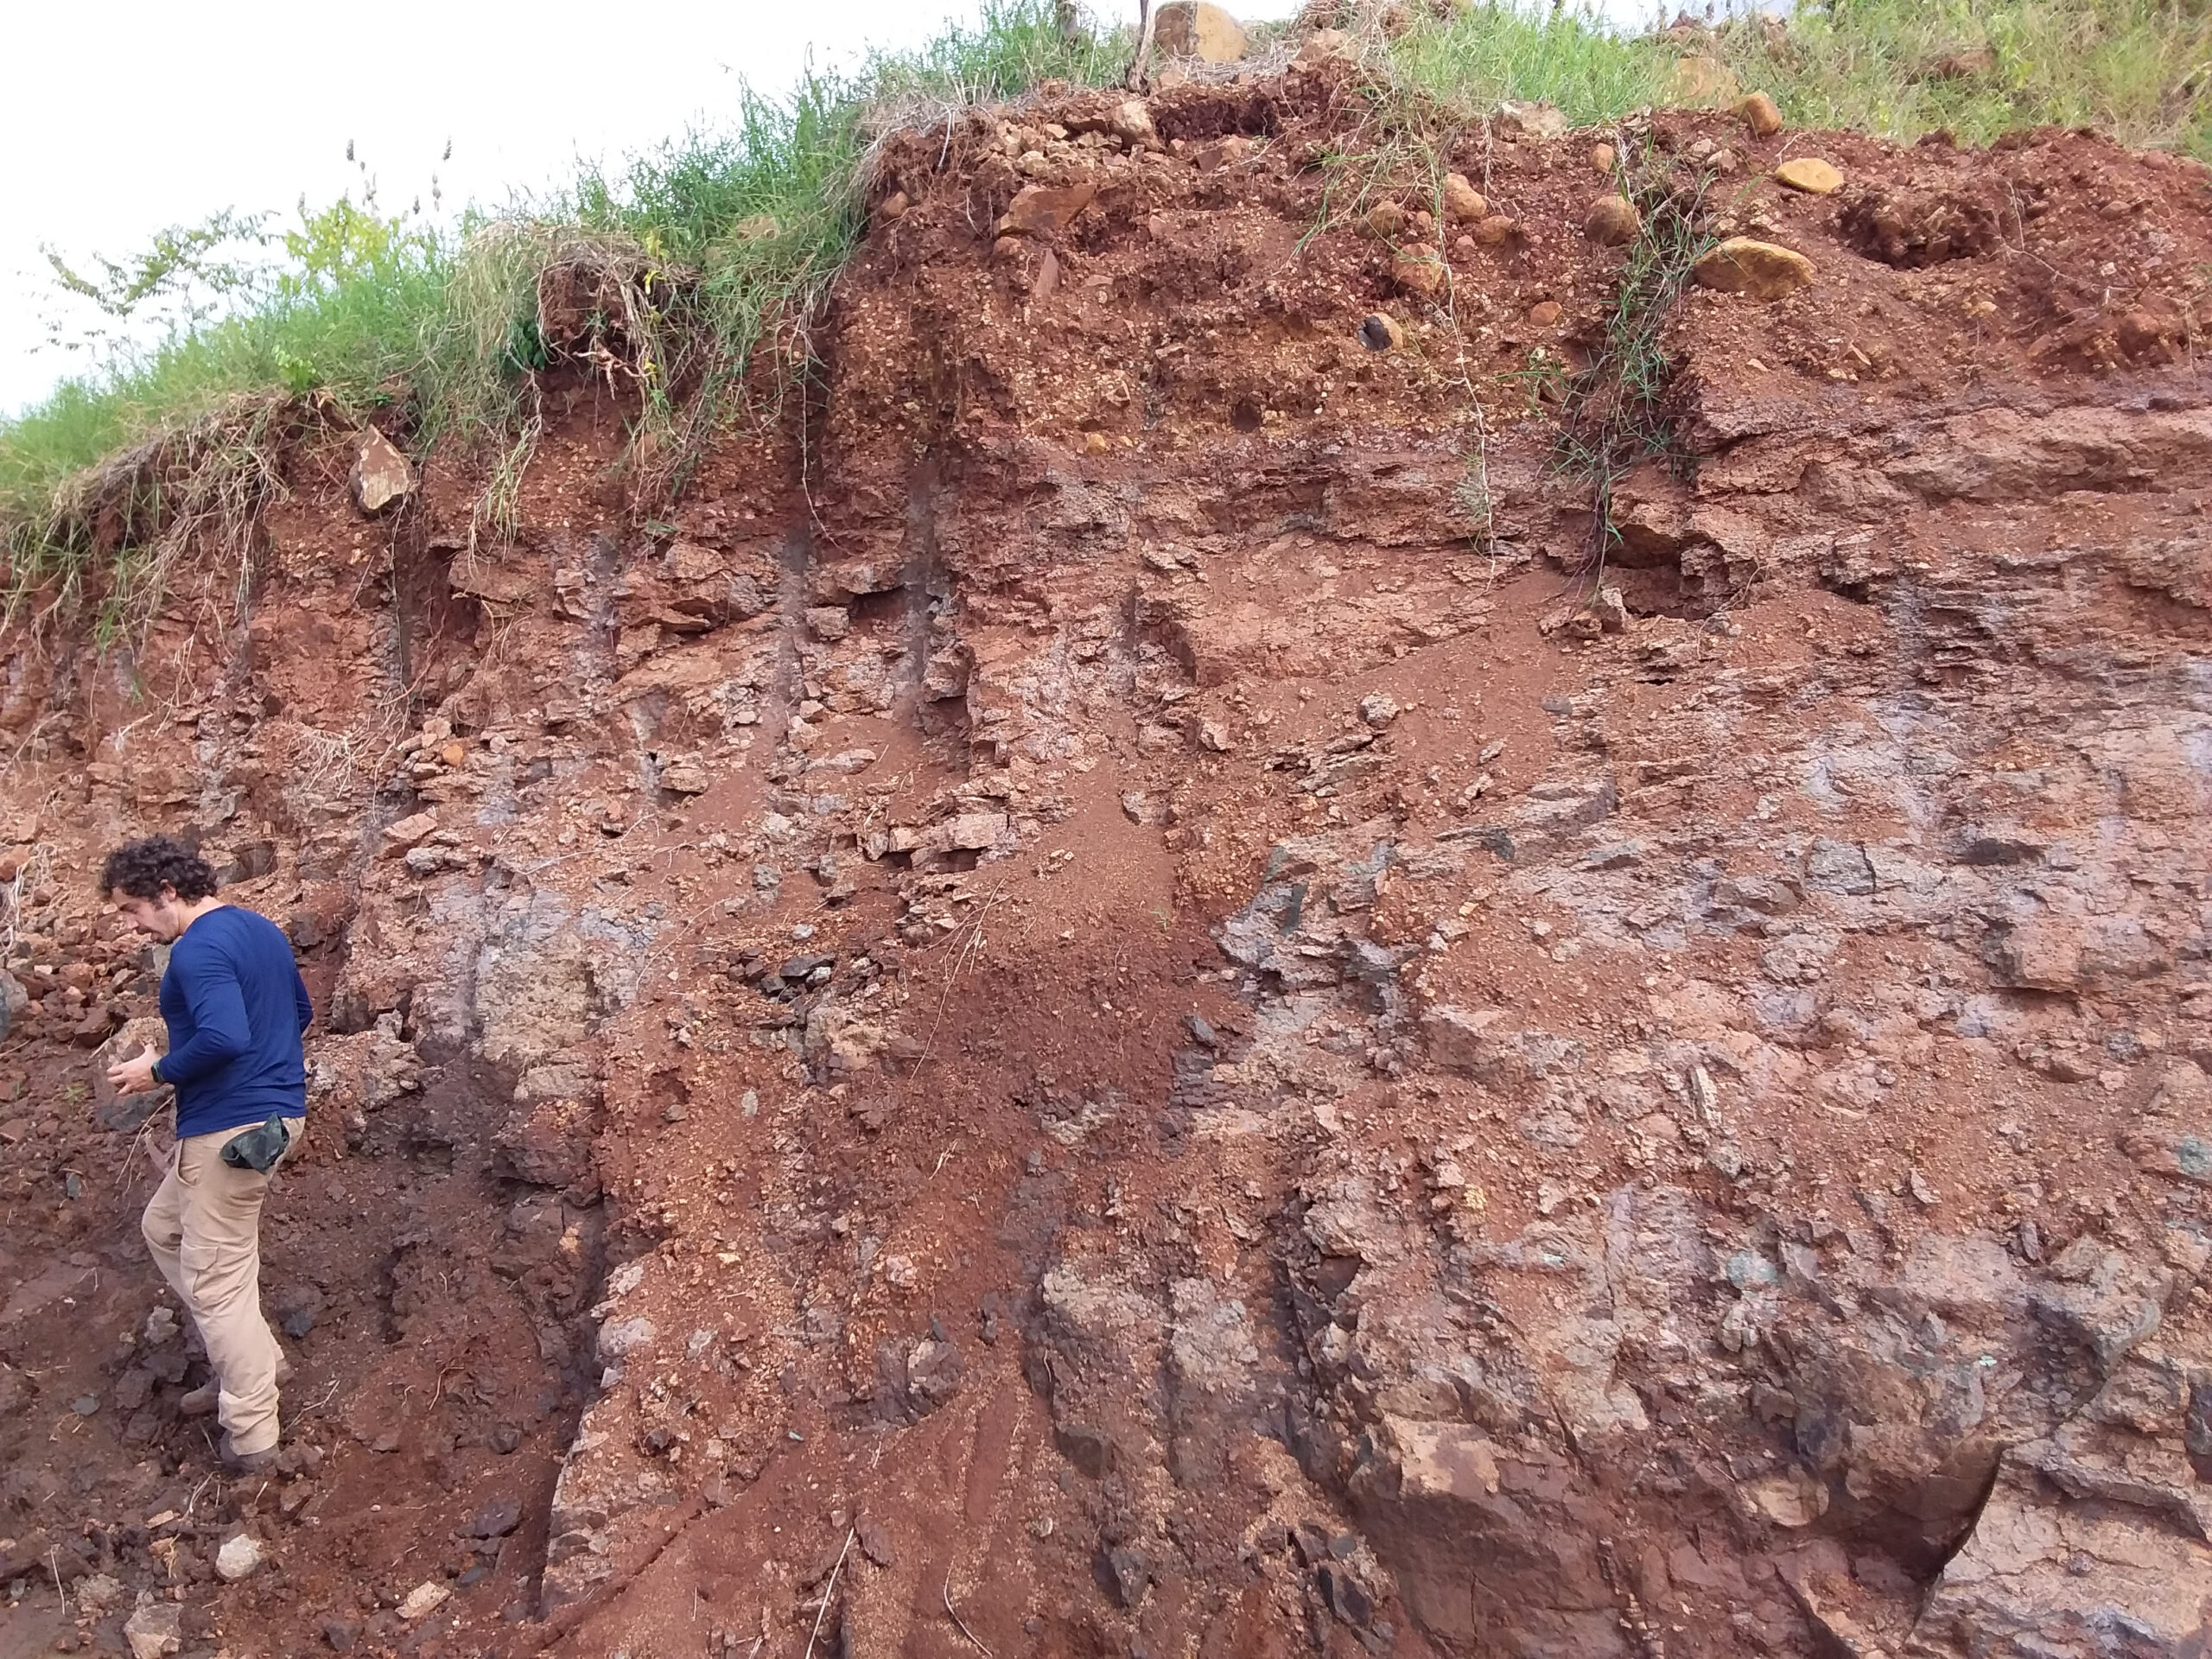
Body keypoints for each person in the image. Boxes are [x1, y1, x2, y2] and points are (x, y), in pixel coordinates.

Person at [101, 835, 310, 1473]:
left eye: (134, 909)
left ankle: (253, 1436)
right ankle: (258, 1358)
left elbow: (223, 1034)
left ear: (168, 892)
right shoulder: (258, 929)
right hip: (272, 1117)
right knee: (163, 1227)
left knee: (215, 1284)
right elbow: (295, 1012)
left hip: (227, 1132)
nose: (132, 925)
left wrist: (158, 1071)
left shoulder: (195, 950)